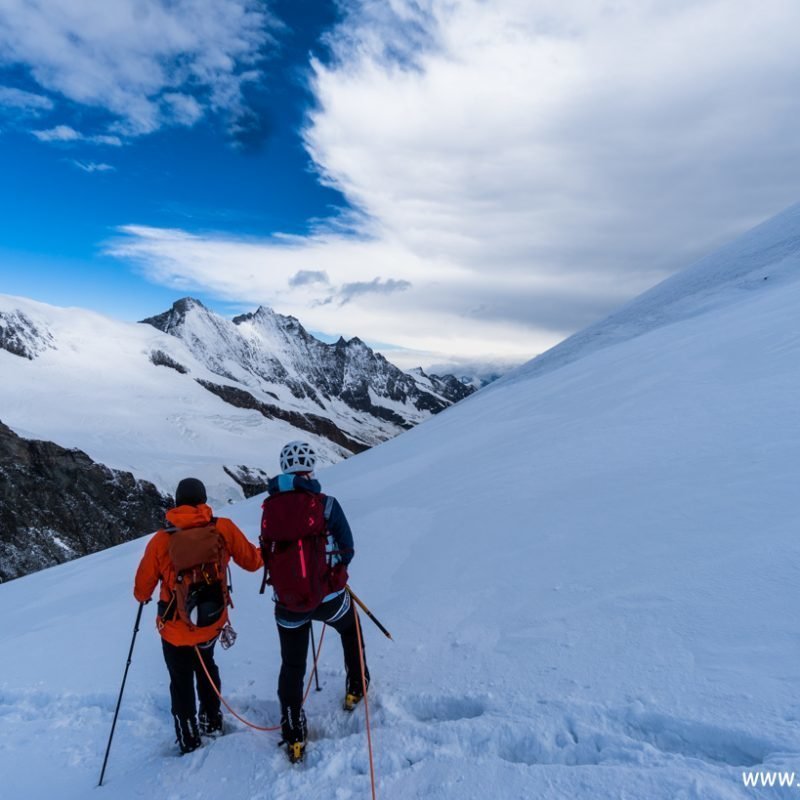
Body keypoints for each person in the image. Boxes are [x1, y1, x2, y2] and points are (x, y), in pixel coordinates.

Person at [134, 477, 262, 754]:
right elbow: (252, 562)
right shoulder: (222, 528)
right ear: (204, 500)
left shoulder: (161, 540)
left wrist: (146, 596)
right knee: (207, 664)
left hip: (174, 628)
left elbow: (142, 588)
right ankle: (212, 719)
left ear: (177, 502)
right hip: (211, 621)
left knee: (180, 679)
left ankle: (188, 735)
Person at [260, 441, 370, 763]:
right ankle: (356, 686)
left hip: (287, 604)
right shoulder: (326, 504)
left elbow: (268, 553)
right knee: (350, 630)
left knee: (292, 666)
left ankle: (293, 732)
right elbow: (347, 548)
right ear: (311, 469)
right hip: (328, 597)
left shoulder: (269, 508)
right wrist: (334, 575)